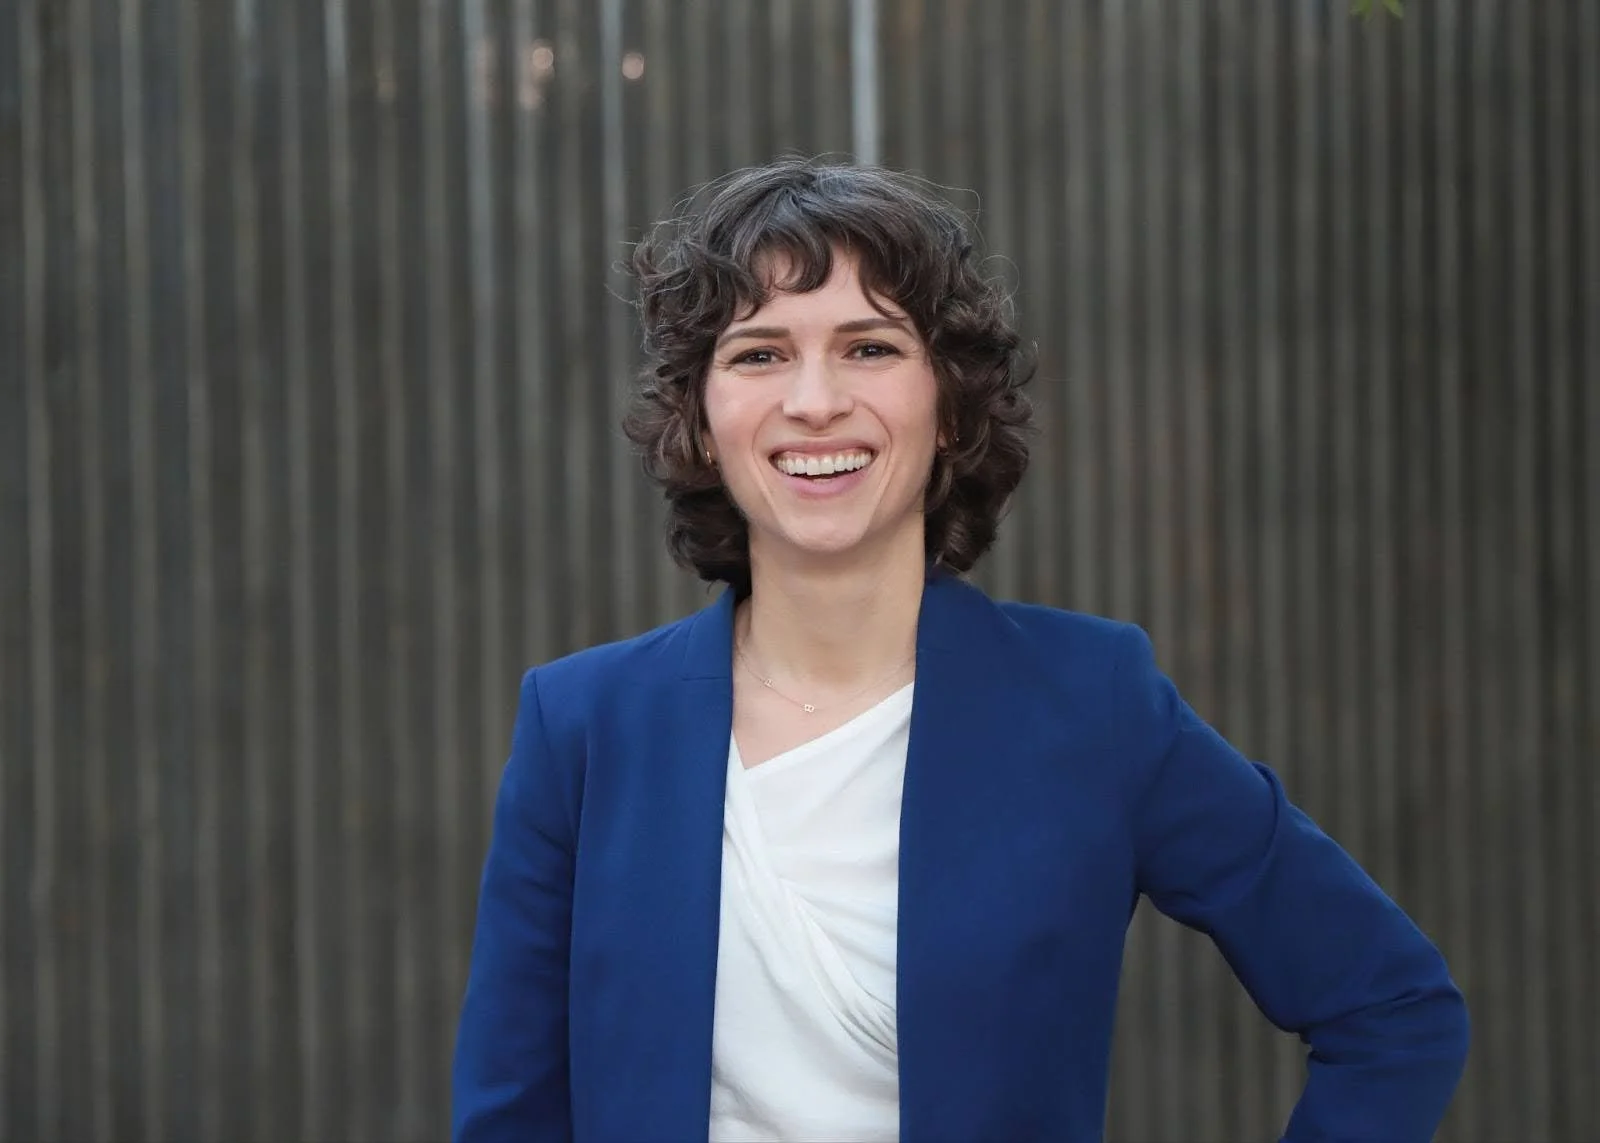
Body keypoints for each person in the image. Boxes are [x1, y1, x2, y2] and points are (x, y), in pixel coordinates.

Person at [451, 157, 1469, 1143]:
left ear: (948, 409)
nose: (813, 400)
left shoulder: (1090, 703)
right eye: (759, 352)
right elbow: (510, 1115)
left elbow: (1391, 1009)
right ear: (703, 418)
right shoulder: (583, 727)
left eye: (870, 347)